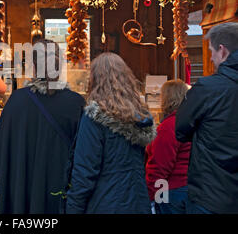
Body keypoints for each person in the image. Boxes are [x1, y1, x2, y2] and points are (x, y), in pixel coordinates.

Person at [0, 39, 85, 213]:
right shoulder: (76, 103)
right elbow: (84, 154)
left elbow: (1, 149)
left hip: (23, 191)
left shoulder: (16, 101)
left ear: (33, 67)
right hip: (60, 191)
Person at [66, 52, 156, 214]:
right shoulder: (141, 117)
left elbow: (84, 173)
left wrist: (73, 209)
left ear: (95, 81)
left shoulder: (94, 119)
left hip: (106, 203)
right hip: (138, 202)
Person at [176, 22, 238, 214]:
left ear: (222, 51)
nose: (210, 58)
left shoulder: (207, 88)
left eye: (211, 51)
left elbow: (180, 130)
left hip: (210, 194)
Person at [145, 79, 191, 214]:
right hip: (187, 188)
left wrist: (149, 195)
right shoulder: (189, 121)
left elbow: (160, 167)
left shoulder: (168, 126)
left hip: (169, 190)